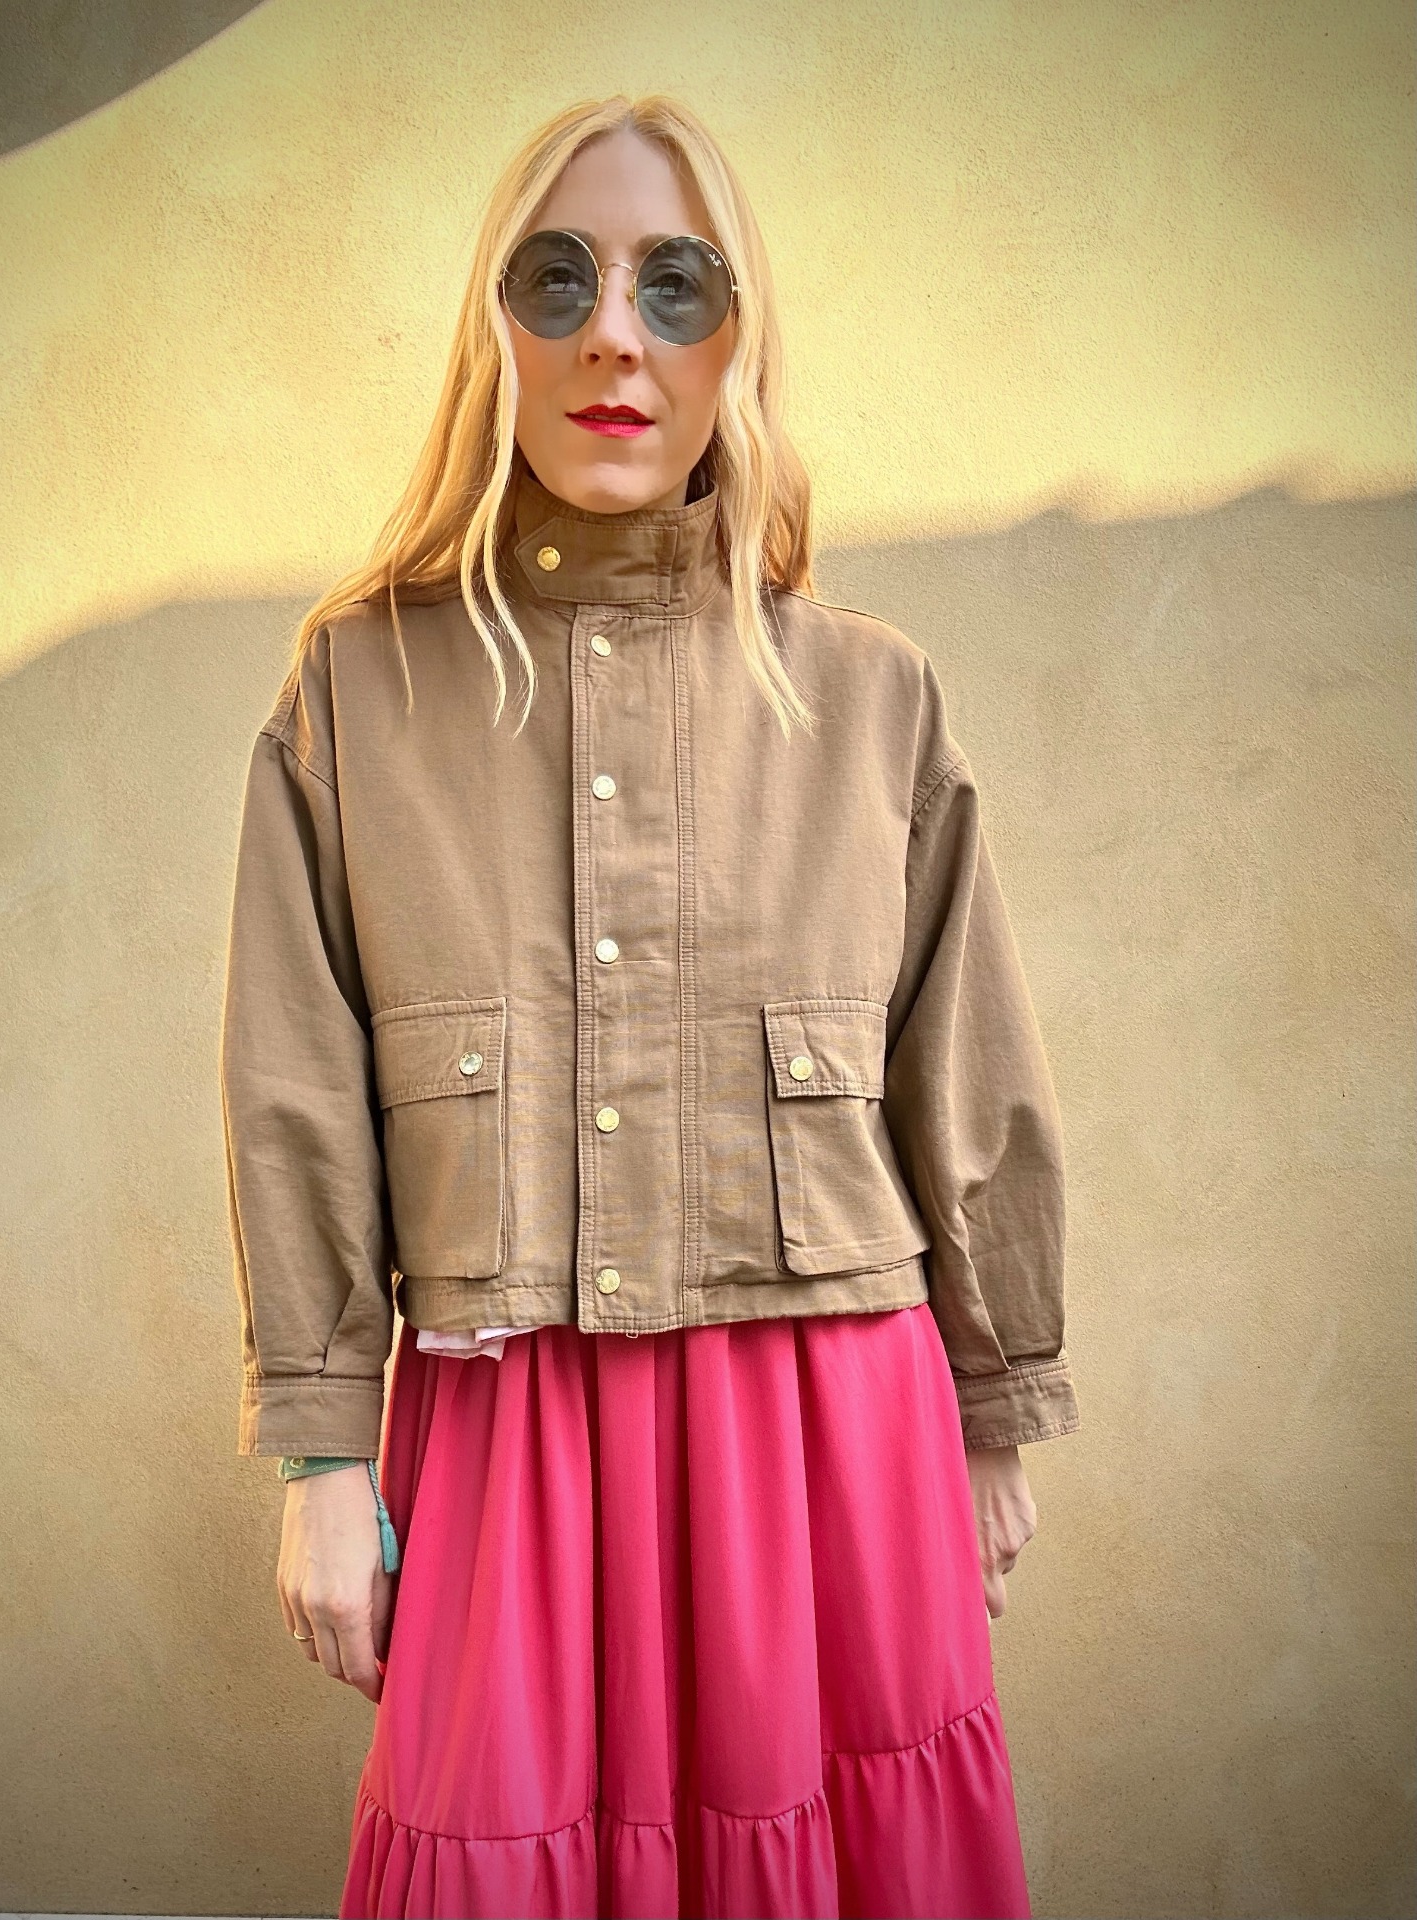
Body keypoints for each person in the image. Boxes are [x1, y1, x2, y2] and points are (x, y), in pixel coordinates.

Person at [219, 90, 1080, 1920]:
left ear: (736, 341)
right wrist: (320, 1455)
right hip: (504, 1426)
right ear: (496, 331)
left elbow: (967, 1065)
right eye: (561, 279)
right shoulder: (354, 692)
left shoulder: (872, 699)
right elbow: (294, 1094)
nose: (617, 333)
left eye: (676, 284)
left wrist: (997, 1404)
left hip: (835, 1426)